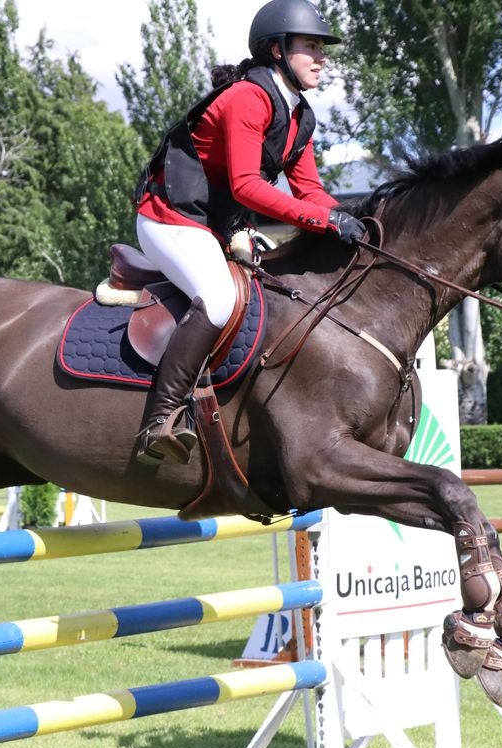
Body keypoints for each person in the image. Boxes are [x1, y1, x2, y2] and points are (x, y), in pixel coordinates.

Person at [131, 0, 366, 466]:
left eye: (323, 49)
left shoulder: (301, 116)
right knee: (218, 299)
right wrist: (325, 222)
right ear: (277, 51)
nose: (322, 58)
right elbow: (246, 185)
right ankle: (160, 419)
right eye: (310, 47)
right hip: (169, 218)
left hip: (216, 228)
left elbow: (311, 191)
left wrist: (361, 222)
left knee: (281, 293)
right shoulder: (248, 97)